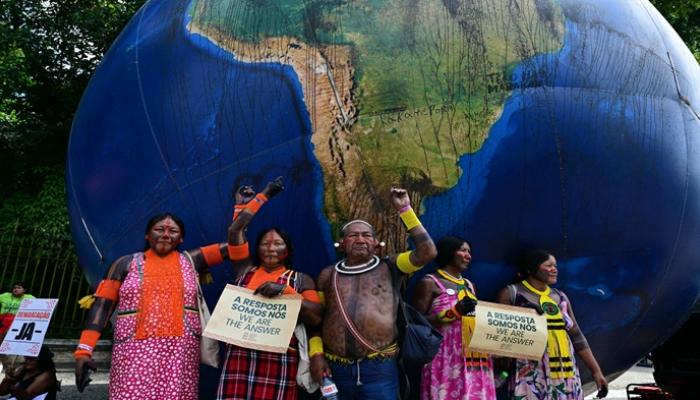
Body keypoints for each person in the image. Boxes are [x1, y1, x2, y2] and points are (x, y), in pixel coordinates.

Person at [72, 193, 278, 400]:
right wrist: (84, 351)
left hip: (180, 354)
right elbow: (102, 307)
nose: (165, 234)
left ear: (181, 239)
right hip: (132, 354)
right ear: (147, 235)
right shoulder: (125, 264)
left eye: (173, 231)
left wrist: (241, 210)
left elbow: (235, 249)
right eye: (159, 229)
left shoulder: (192, 260)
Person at [309, 187, 437, 400]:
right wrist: (316, 354)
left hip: (379, 370)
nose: (360, 239)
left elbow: (427, 252)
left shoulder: (392, 266)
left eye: (367, 235)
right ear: (342, 244)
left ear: (376, 244)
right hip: (335, 369)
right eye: (353, 236)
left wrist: (405, 209)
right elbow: (316, 319)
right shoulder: (327, 275)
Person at [216, 180, 322, 400]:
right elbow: (235, 230)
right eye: (265, 244)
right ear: (257, 249)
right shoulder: (244, 270)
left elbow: (316, 316)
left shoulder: (301, 280)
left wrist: (285, 292)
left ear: (287, 250)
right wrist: (262, 196)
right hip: (239, 358)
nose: (271, 248)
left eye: (278, 244)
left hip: (278, 360)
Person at [495, 250, 608, 399]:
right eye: (548, 265)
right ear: (531, 268)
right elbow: (498, 335)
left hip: (565, 373)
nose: (554, 269)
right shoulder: (512, 294)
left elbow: (577, 336)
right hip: (530, 375)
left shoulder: (561, 297)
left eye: (555, 266)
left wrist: (596, 371)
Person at [412, 236, 496, 400]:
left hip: (473, 355)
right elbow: (416, 322)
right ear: (449, 252)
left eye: (469, 252)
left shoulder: (469, 285)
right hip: (445, 355)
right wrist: (452, 313)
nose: (468, 256)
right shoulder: (430, 282)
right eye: (463, 250)